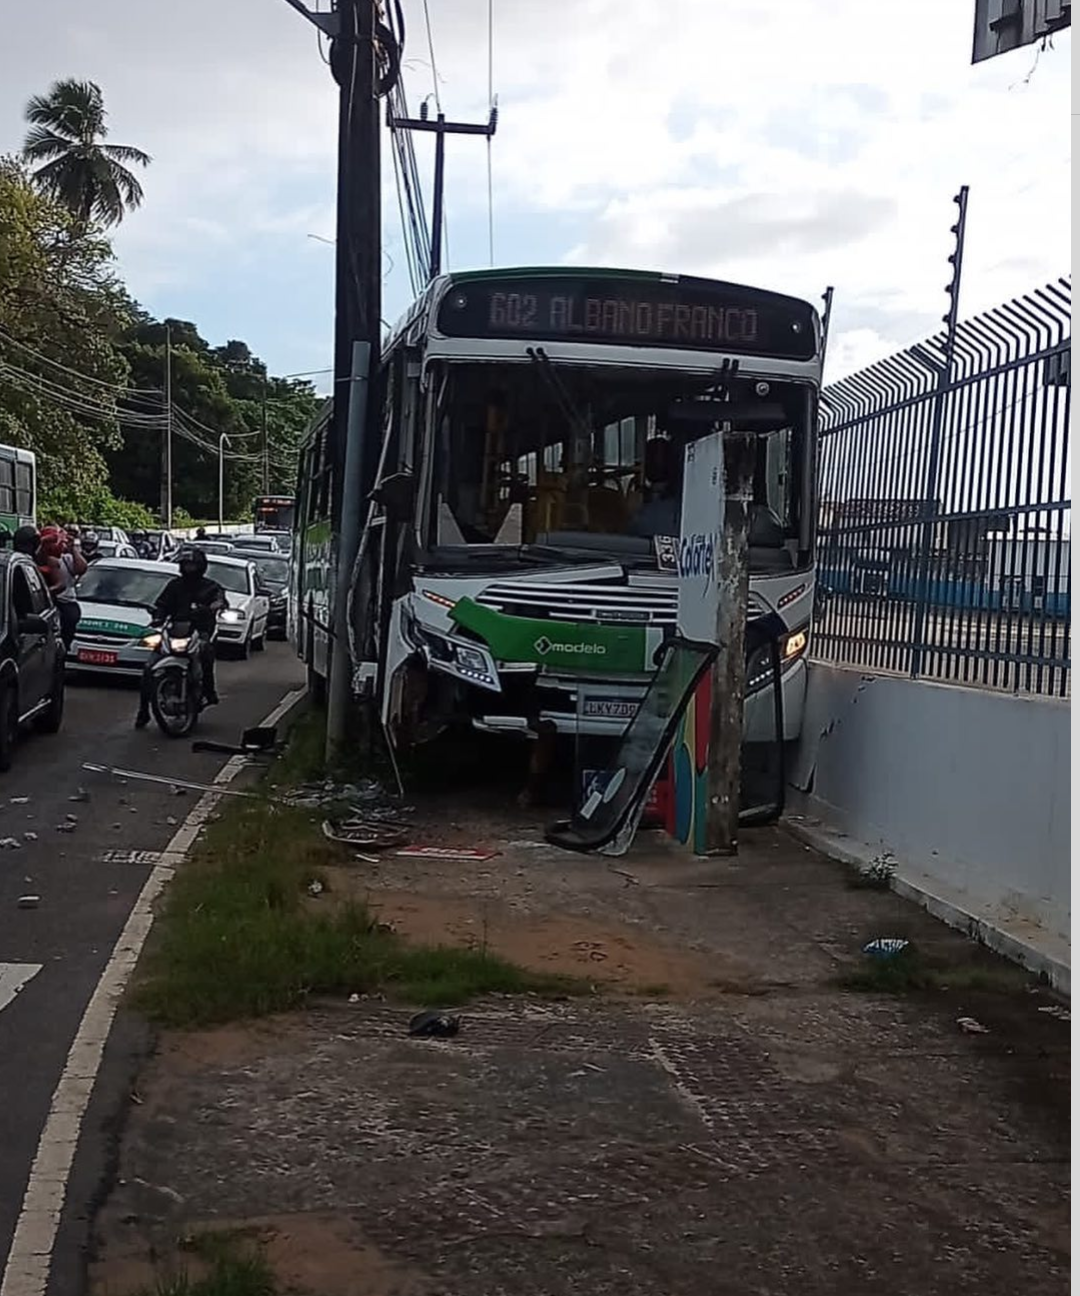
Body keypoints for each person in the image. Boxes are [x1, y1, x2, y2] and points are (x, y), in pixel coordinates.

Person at [135, 546, 226, 729]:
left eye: (192, 565)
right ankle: (143, 710)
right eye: (185, 564)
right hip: (175, 630)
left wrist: (211, 608)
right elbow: (161, 603)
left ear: (200, 566)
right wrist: (158, 616)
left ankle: (208, 690)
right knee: (148, 668)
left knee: (206, 653)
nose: (188, 568)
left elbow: (220, 600)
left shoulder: (211, 587)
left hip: (200, 631)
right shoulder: (174, 585)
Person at [37, 525, 87, 650]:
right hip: (43, 607)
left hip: (65, 603)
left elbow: (81, 568)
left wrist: (73, 550)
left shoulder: (65, 559)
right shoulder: (33, 559)